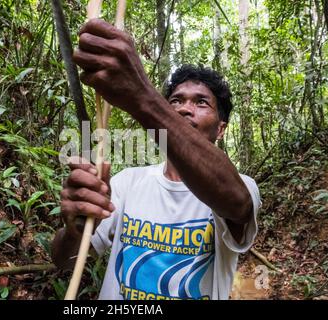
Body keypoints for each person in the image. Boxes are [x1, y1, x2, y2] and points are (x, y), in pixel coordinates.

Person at [51, 19, 261, 300]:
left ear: (221, 128)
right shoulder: (127, 182)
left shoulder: (241, 186)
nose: (185, 109)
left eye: (201, 102)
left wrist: (142, 97)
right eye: (175, 101)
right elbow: (64, 261)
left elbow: (235, 203)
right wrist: (74, 230)